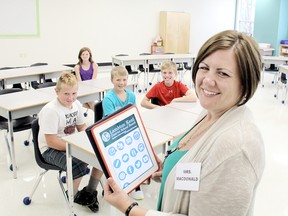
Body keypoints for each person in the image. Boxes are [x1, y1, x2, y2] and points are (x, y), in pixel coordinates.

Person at [103, 30, 265, 216]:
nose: (207, 80)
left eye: (222, 73)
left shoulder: (237, 149)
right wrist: (168, 169)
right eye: (204, 68)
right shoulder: (211, 112)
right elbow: (198, 170)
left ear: (245, 83)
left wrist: (129, 208)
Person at [38, 72, 103, 213]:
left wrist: (91, 141)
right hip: (49, 149)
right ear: (57, 92)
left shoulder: (76, 104)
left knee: (101, 154)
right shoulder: (51, 110)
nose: (71, 98)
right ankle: (72, 194)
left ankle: (90, 192)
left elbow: (82, 127)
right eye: (66, 94)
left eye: (74, 93)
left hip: (71, 144)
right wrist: (77, 148)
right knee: (77, 162)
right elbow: (51, 141)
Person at [102, 65, 144, 200]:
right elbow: (111, 120)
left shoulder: (131, 95)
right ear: (112, 80)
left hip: (127, 129)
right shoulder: (108, 98)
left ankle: (136, 181)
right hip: (112, 132)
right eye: (118, 80)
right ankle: (125, 183)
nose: (121, 83)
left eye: (124, 80)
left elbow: (133, 113)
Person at [74, 47, 98, 111]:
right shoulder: (77, 67)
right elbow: (79, 81)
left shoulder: (94, 65)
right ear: (80, 56)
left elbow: (93, 80)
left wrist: (89, 89)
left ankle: (98, 114)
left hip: (92, 88)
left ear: (90, 55)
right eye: (83, 54)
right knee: (87, 102)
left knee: (89, 101)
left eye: (87, 54)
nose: (85, 56)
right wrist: (85, 90)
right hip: (82, 89)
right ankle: (99, 114)